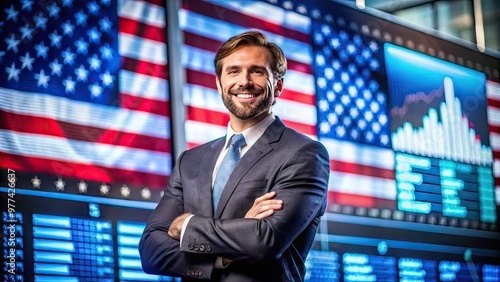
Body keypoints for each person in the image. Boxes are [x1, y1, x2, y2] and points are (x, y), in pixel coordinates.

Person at [139, 30, 330, 281]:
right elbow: (151, 250)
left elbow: (265, 240)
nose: (244, 81)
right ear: (219, 84)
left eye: (257, 71)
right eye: (233, 71)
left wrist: (186, 226)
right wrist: (224, 256)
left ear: (279, 86)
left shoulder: (304, 153)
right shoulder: (190, 161)